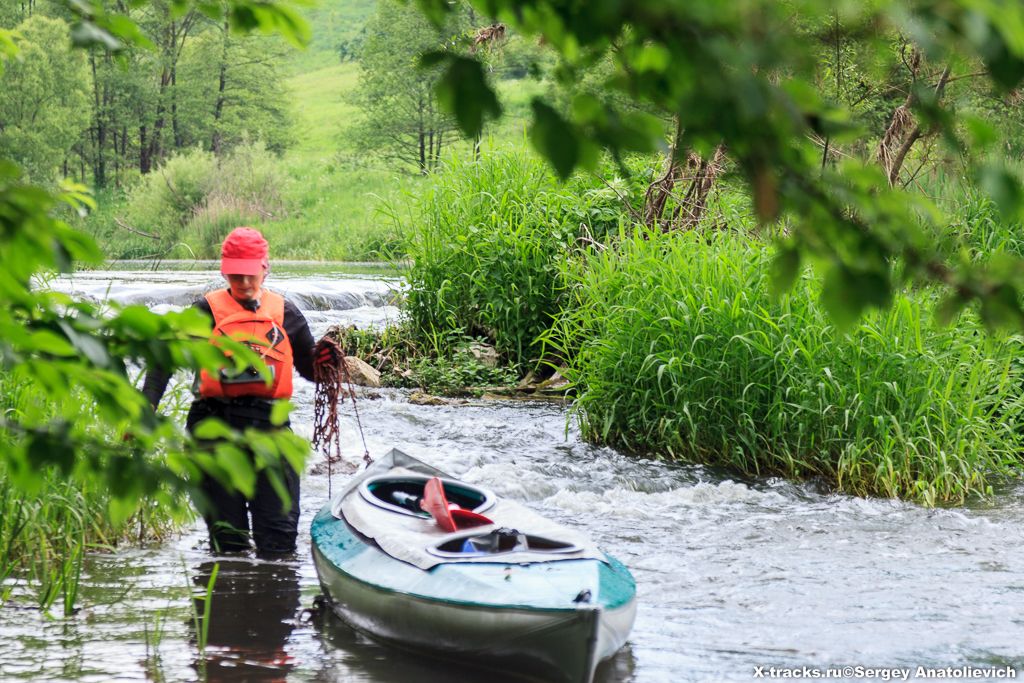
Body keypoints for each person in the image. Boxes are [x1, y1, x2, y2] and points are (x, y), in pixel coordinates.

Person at [143, 226, 338, 556]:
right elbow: (163, 360)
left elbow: (308, 370)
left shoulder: (286, 314)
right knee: (228, 541)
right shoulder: (203, 313)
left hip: (271, 431)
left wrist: (324, 364)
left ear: (266, 268)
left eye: (250, 275)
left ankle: (273, 602)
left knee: (279, 539)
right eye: (235, 276)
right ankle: (227, 599)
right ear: (224, 272)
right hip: (213, 429)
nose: (244, 284)